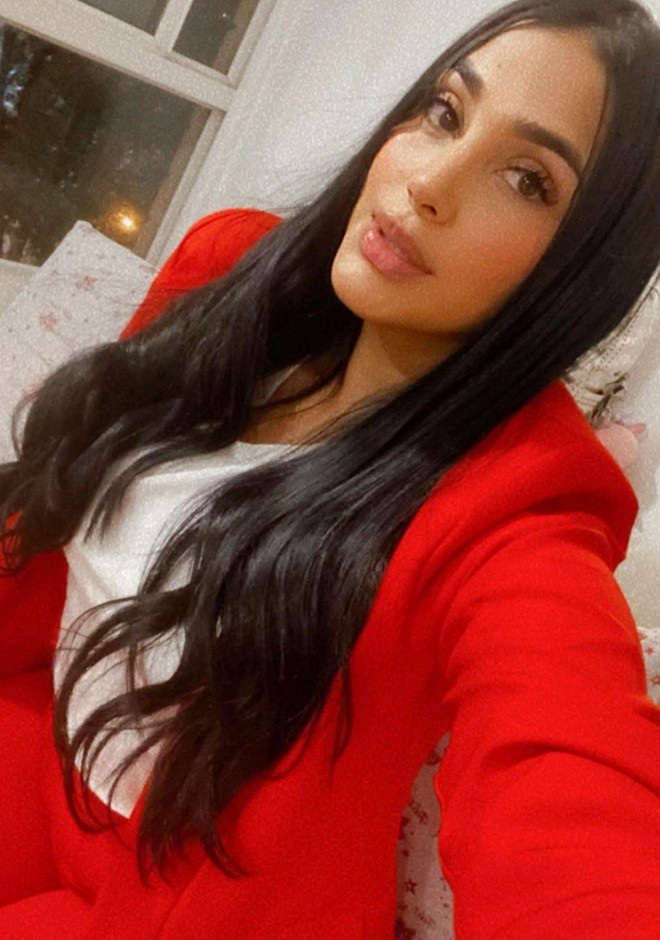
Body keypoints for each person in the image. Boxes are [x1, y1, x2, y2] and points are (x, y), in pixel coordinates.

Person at [0, 0, 659, 936]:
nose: (428, 182)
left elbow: (573, 786)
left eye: (527, 179)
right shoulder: (234, 270)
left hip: (173, 898)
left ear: (580, 270)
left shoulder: (520, 505)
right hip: (34, 736)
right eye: (444, 112)